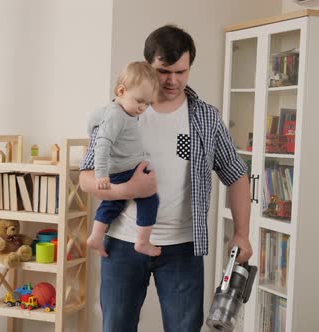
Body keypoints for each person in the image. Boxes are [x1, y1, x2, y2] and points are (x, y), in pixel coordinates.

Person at [79, 24, 253, 332]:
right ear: (148, 65)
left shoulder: (205, 117)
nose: (173, 80)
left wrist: (241, 233)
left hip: (182, 249)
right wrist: (129, 188)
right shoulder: (118, 113)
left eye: (181, 72)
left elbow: (237, 174)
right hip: (123, 244)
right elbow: (87, 178)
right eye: (164, 71)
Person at [86, 61, 161, 258]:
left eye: (147, 103)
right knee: (150, 198)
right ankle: (143, 241)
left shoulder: (121, 111)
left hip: (123, 168)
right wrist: (101, 175)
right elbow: (101, 144)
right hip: (123, 169)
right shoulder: (115, 116)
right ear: (121, 91)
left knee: (112, 205)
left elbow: (93, 120)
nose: (143, 107)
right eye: (139, 101)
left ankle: (96, 236)